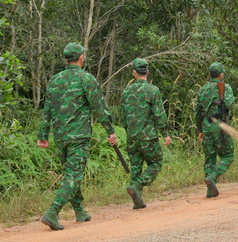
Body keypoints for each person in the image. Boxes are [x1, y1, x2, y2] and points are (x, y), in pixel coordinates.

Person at [37, 42, 117, 230]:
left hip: (60, 137)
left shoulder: (55, 80)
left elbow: (47, 109)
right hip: (78, 136)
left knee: (71, 174)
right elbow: (99, 107)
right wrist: (110, 130)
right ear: (81, 57)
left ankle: (79, 210)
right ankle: (52, 212)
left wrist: (43, 135)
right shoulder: (85, 79)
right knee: (74, 175)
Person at [121, 58, 171, 209]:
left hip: (132, 137)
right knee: (156, 162)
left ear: (134, 73)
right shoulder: (152, 90)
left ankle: (137, 200)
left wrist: (129, 131)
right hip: (148, 136)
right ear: (147, 72)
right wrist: (165, 134)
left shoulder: (126, 91)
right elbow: (159, 115)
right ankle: (137, 185)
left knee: (135, 167)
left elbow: (124, 117)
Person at [194, 62, 235, 198]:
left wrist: (200, 129)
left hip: (207, 126)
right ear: (221, 74)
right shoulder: (226, 87)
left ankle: (210, 191)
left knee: (210, 158)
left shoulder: (203, 89)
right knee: (228, 156)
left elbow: (198, 112)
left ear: (210, 74)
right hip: (221, 125)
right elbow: (230, 104)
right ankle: (213, 177)